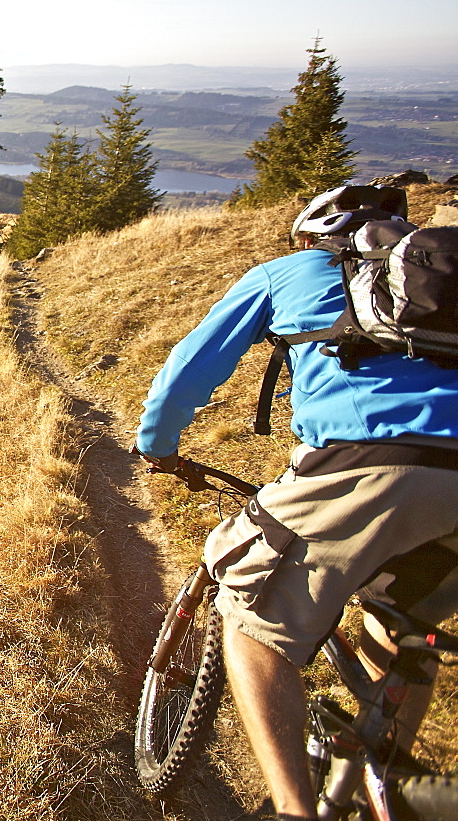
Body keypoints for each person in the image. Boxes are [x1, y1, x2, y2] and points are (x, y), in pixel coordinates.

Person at [134, 185, 458, 821]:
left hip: (368, 464)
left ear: (311, 236)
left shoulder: (289, 273)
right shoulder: (435, 294)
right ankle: (381, 776)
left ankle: (292, 810)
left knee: (253, 617)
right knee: (398, 623)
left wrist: (158, 446)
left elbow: (189, 367)